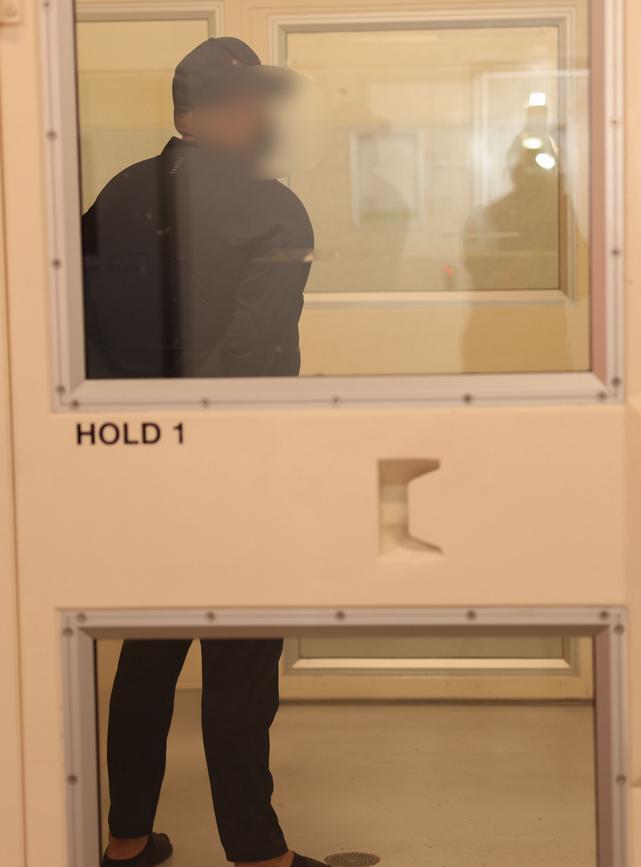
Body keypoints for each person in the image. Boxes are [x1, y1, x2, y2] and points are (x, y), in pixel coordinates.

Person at [82, 37, 324, 867]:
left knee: (148, 655)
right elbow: (252, 355)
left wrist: (135, 436)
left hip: (135, 466)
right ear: (200, 113)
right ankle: (260, 856)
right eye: (247, 101)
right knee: (240, 666)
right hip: (236, 468)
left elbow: (74, 336)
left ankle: (126, 840)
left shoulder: (114, 197)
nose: (262, 116)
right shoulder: (273, 208)